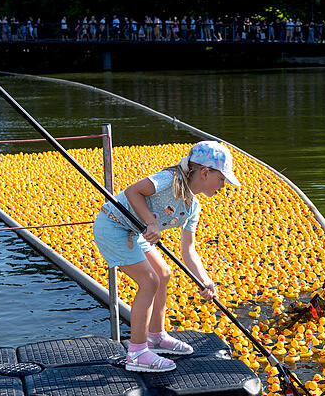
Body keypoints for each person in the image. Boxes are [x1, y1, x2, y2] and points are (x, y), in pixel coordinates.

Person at [92, 141, 239, 372]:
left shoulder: (193, 207)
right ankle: (137, 353)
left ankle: (156, 337)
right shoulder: (169, 180)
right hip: (113, 225)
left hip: (135, 229)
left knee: (163, 273)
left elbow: (189, 250)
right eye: (222, 179)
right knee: (149, 281)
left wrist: (205, 280)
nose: (223, 186)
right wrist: (151, 223)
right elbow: (133, 191)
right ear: (205, 172)